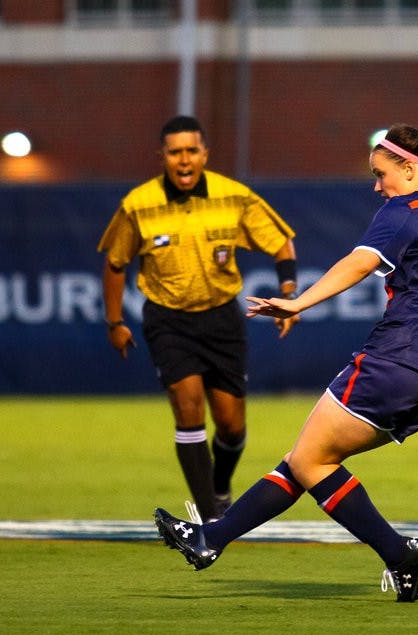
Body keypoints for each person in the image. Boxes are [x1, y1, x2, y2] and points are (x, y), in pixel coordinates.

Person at [154, 124, 418, 602]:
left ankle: (397, 552)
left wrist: (299, 302)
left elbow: (360, 261)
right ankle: (211, 539)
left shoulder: (404, 210)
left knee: (310, 459)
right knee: (308, 458)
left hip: (395, 361)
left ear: (411, 169)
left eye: (381, 174)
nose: (377, 186)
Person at [98, 115, 300, 522]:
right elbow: (116, 263)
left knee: (231, 426)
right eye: (175, 152)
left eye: (192, 150)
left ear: (205, 154)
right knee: (188, 410)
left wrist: (289, 293)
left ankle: (219, 487)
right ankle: (211, 522)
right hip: (168, 320)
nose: (184, 160)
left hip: (222, 320)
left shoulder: (234, 196)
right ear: (162, 157)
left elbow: (281, 242)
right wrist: (115, 323)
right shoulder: (138, 205)